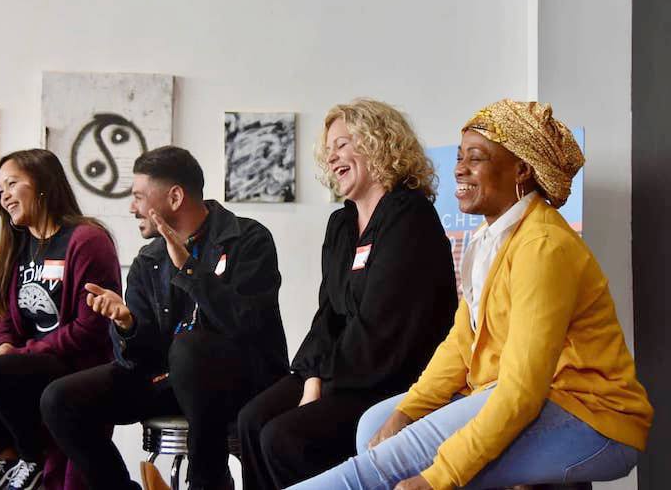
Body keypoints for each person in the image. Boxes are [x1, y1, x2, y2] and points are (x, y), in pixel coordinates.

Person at [286, 100, 654, 490]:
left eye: (475, 158)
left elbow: (522, 392)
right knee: (376, 425)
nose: (458, 168)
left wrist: (437, 479)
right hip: (517, 392)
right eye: (460, 157)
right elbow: (462, 344)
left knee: (380, 469)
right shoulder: (490, 239)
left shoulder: (543, 246)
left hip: (591, 414)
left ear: (522, 169)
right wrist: (408, 410)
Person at [237, 99, 458, 490]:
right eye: (329, 149)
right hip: (345, 367)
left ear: (377, 143)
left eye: (342, 144)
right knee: (251, 419)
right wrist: (309, 376)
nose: (331, 155)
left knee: (285, 438)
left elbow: (384, 327)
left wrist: (323, 381)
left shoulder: (410, 217)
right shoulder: (341, 224)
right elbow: (328, 315)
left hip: (392, 378)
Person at [41, 145, 289, 490]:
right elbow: (143, 357)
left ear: (174, 197)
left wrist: (189, 269)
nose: (132, 207)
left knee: (190, 348)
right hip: (171, 379)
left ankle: (207, 482)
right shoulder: (149, 258)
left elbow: (245, 323)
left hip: (240, 383)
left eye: (139, 196)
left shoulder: (249, 239)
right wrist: (127, 325)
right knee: (60, 400)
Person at [0, 149, 122, 490]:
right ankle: (5, 454)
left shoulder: (87, 240)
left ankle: (33, 458)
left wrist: (19, 354)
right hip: (29, 360)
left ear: (43, 183)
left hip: (75, 364)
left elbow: (90, 330)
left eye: (12, 183)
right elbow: (7, 315)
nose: (3, 194)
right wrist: (5, 345)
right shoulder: (20, 245)